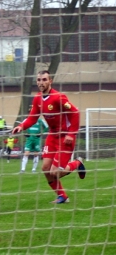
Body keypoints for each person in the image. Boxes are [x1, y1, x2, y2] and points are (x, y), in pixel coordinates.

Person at [12, 70, 85, 204]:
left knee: (55, 172)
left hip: (65, 137)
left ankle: (77, 163)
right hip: (52, 135)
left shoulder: (59, 97)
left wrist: (71, 134)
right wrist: (21, 126)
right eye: (39, 80)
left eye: (44, 79)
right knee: (45, 169)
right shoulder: (37, 99)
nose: (41, 82)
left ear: (50, 81)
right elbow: (32, 118)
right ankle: (62, 196)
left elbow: (75, 112)